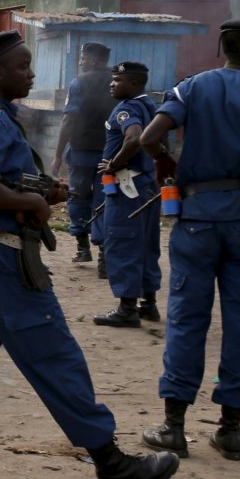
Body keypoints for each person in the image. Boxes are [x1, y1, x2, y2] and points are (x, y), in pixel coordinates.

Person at [0, 30, 179, 479]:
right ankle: (111, 463)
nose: (32, 73)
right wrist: (33, 201)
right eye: (24, 66)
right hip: (3, 256)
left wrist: (42, 191)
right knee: (55, 355)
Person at [139, 18, 240, 461]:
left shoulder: (191, 87)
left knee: (187, 319)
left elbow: (149, 137)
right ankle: (230, 431)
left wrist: (165, 161)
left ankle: (174, 427)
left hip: (196, 219)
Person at [92, 62, 162, 328]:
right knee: (146, 245)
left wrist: (114, 164)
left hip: (126, 187)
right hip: (147, 186)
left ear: (133, 84)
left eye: (117, 79)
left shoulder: (127, 109)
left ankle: (127, 309)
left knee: (122, 243)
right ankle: (149, 305)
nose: (111, 84)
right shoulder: (151, 106)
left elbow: (134, 139)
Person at [51, 42, 117, 276]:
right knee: (104, 200)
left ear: (95, 60)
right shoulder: (118, 80)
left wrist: (58, 156)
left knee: (77, 196)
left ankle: (82, 246)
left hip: (81, 152)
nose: (81, 62)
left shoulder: (79, 82)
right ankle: (104, 257)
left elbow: (69, 120)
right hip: (111, 156)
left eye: (83, 59)